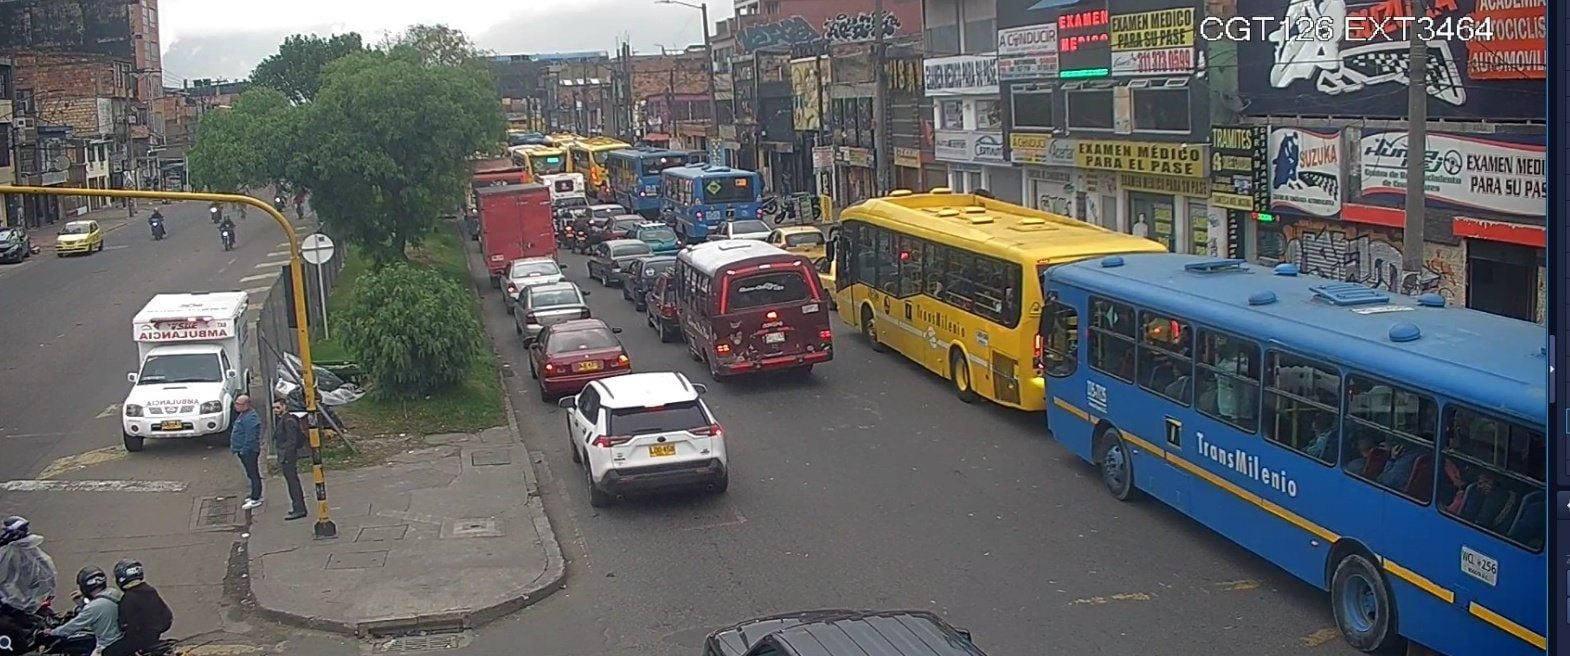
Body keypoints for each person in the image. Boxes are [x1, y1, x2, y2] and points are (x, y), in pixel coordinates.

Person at [0, 516, 57, 644]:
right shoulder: (32, 550)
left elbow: (5, 582)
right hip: (32, 600)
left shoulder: (8, 553)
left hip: (18, 602)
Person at [41, 567, 123, 654]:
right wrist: (82, 602)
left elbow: (72, 626)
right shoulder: (113, 593)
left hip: (107, 646)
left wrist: (53, 632)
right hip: (121, 640)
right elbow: (98, 612)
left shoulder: (93, 607)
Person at [105, 559, 171, 656]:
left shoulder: (128, 598)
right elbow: (167, 616)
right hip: (154, 637)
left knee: (108, 652)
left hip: (139, 641)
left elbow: (126, 626)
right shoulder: (151, 591)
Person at [271, 400, 310, 521]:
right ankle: (297, 507)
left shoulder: (288, 421)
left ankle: (299, 509)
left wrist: (286, 455)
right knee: (292, 482)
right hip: (287, 455)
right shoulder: (285, 419)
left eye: (278, 407)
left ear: (284, 407)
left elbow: (291, 441)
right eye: (274, 408)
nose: (275, 410)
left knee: (293, 483)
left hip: (288, 457)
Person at [230, 396, 264, 510]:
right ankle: (254, 495)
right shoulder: (244, 415)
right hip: (243, 450)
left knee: (253, 474)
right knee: (250, 474)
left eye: (238, 404)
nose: (236, 405)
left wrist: (244, 450)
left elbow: (251, 436)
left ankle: (256, 498)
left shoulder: (250, 418)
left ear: (246, 405)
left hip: (249, 451)